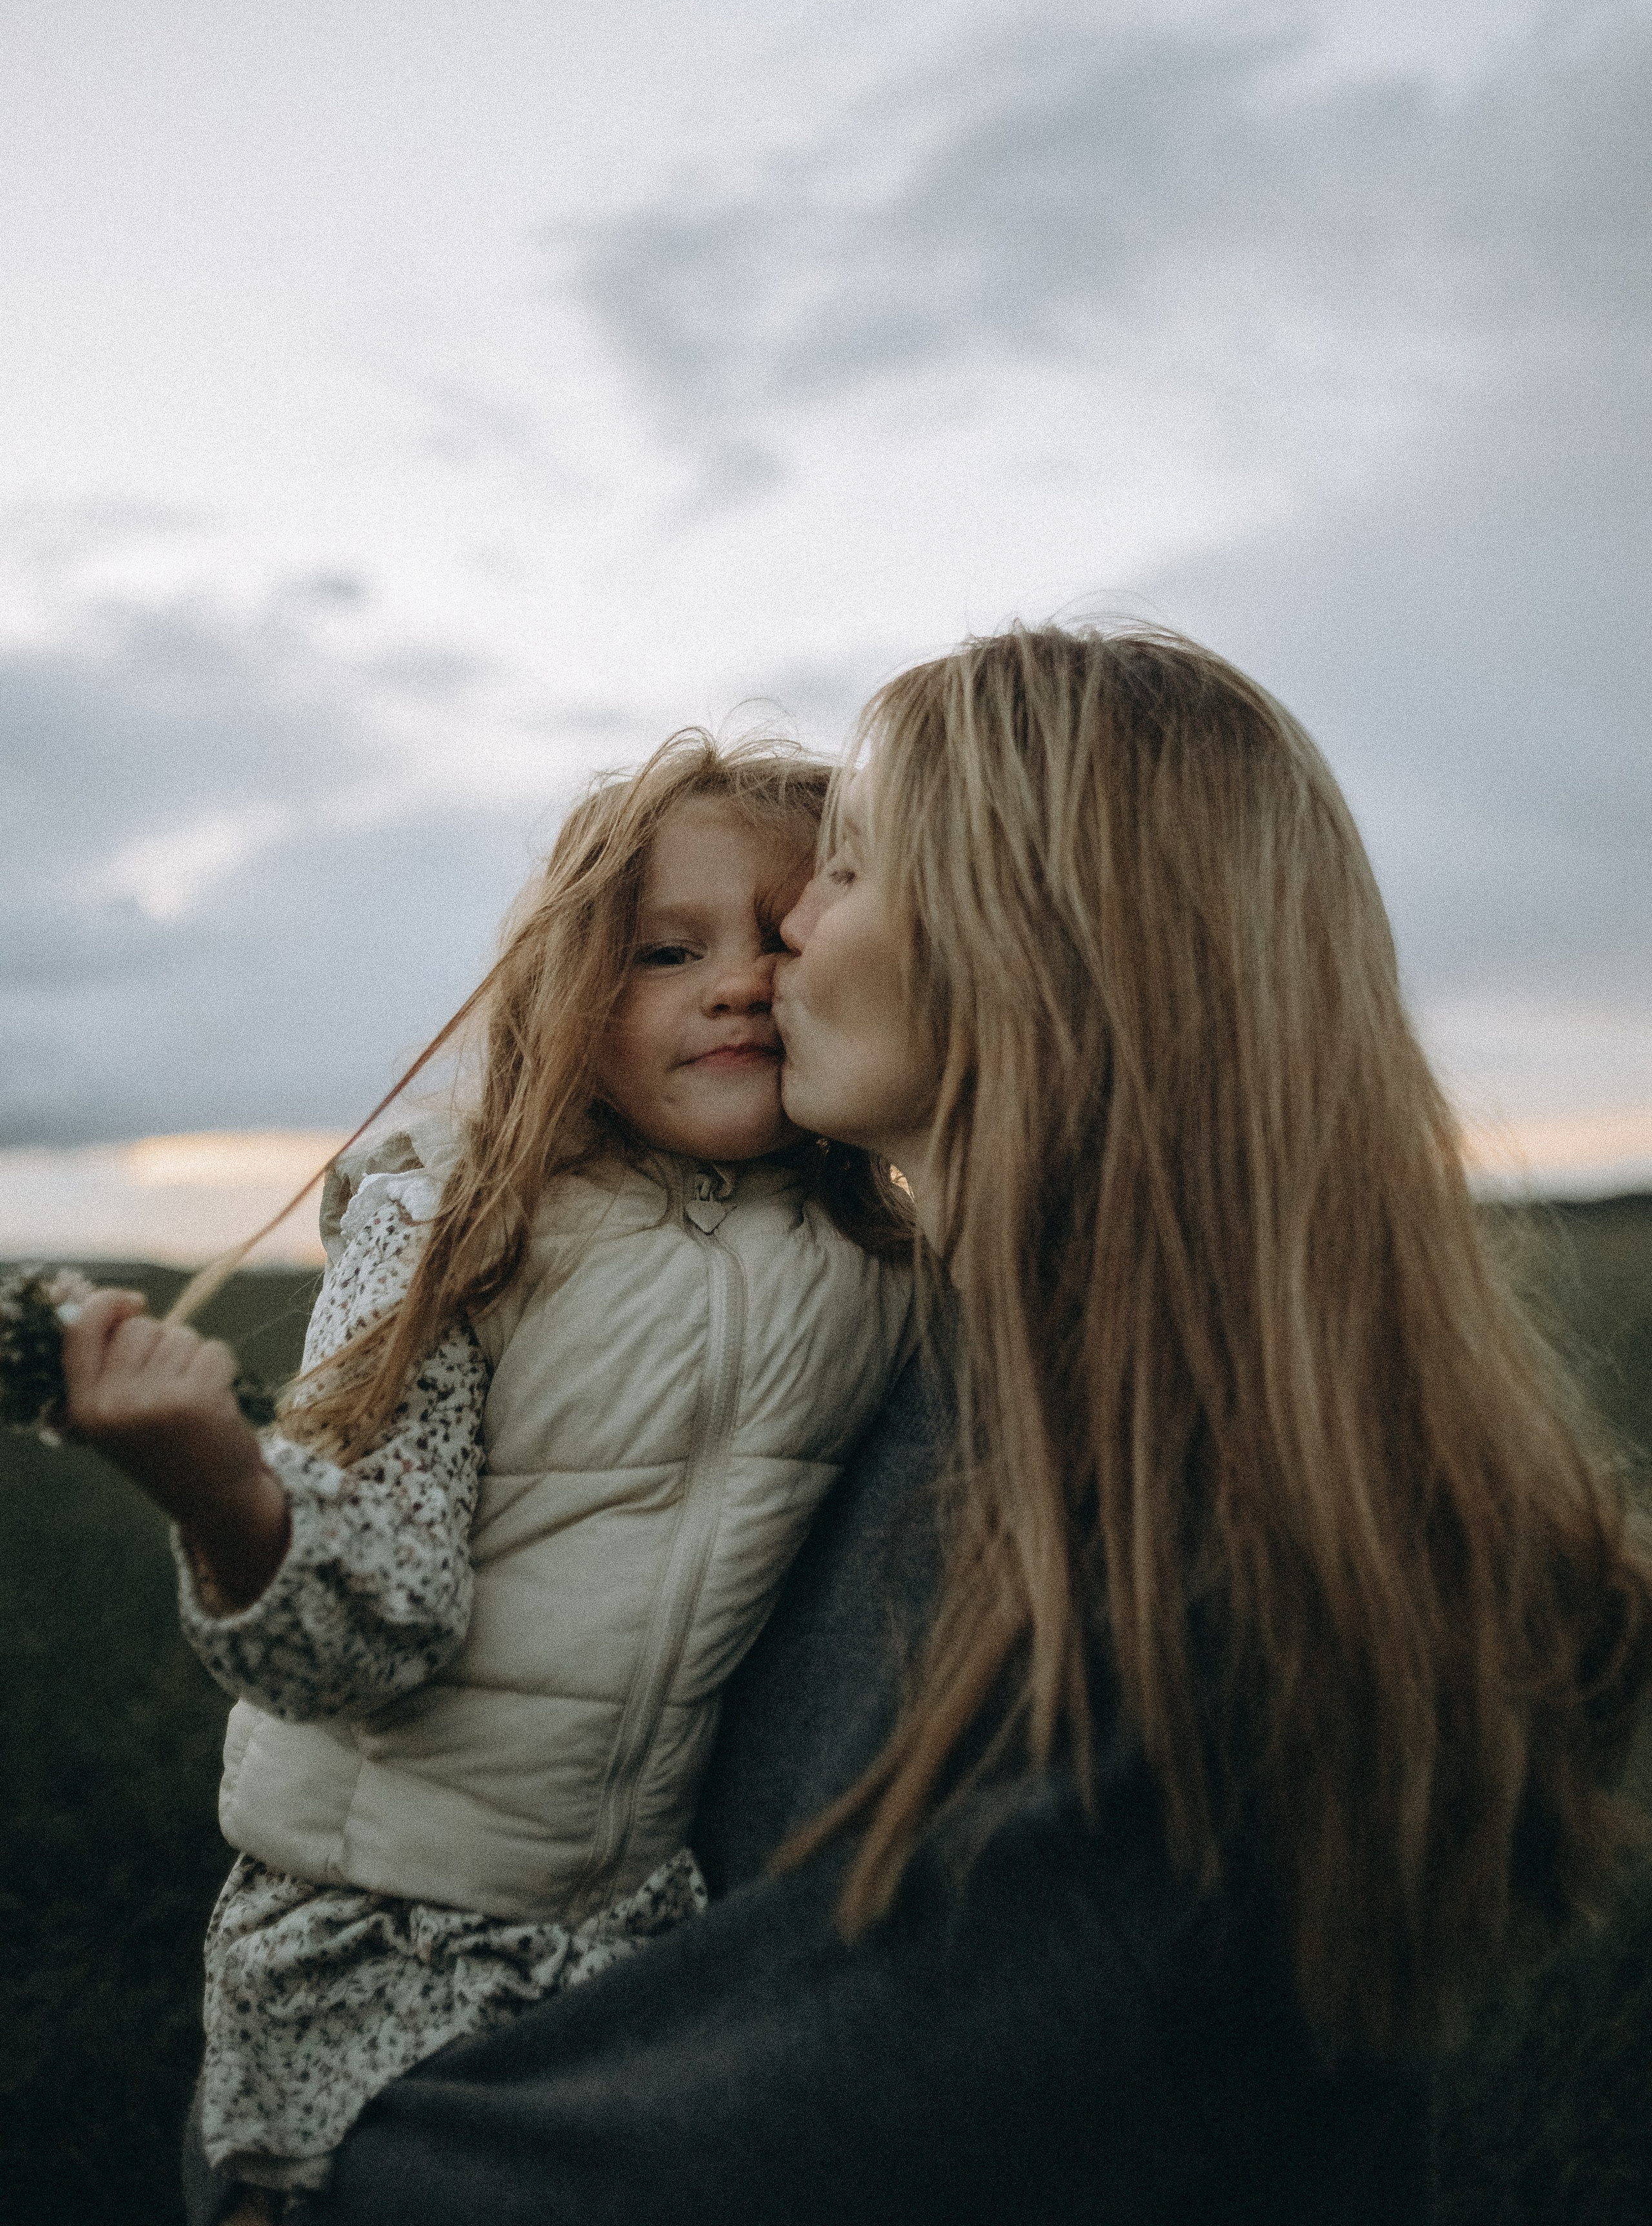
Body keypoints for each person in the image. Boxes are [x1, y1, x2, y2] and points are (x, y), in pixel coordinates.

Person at [219, 623, 1651, 2226]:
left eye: (840, 873)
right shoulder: (940, 1358)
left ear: (1031, 943)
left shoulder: (1196, 1581)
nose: (783, 937)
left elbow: (796, 2121)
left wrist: (335, 2182)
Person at [57, 735, 914, 2220]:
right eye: (666, 951)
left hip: (640, 1932)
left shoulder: (880, 1256)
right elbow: (353, 1640)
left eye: (777, 939)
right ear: (570, 992)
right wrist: (220, 1487)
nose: (737, 983)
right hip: (370, 1926)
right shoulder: (456, 1220)